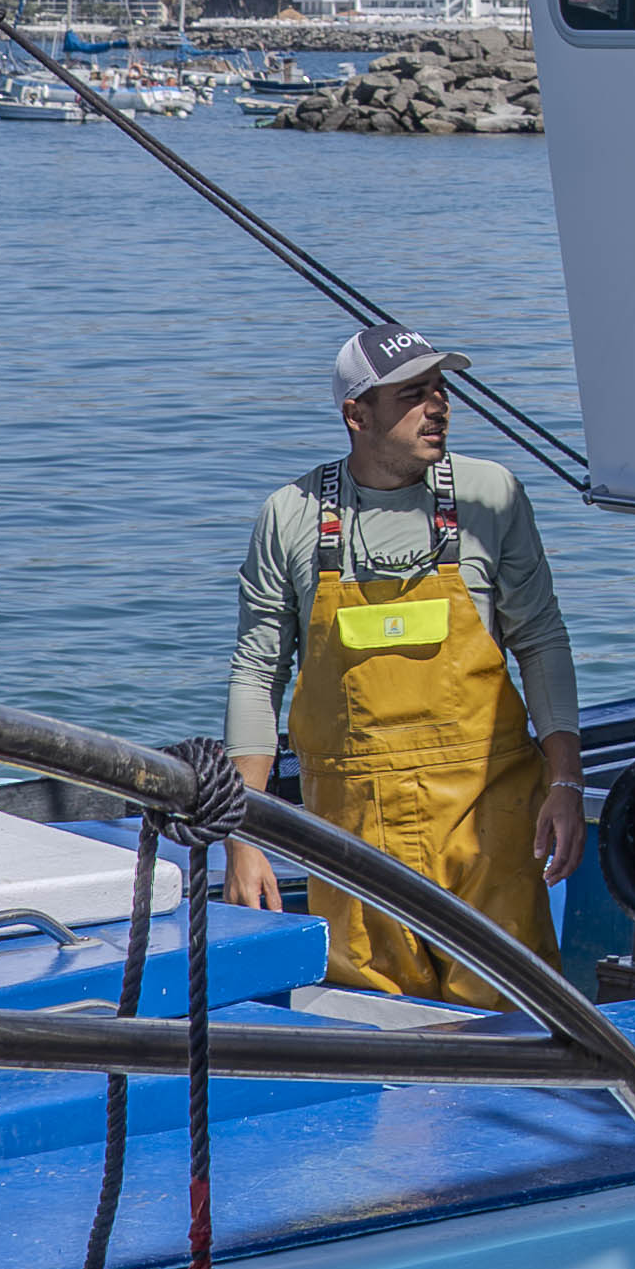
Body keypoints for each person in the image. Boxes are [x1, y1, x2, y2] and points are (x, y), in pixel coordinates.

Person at [222, 321, 587, 996]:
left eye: (441, 388)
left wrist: (565, 782)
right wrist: (243, 833)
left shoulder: (491, 497)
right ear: (355, 415)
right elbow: (256, 672)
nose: (438, 405)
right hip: (352, 840)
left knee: (509, 1025)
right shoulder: (289, 515)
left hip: (489, 831)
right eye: (412, 394)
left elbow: (541, 640)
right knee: (373, 1028)